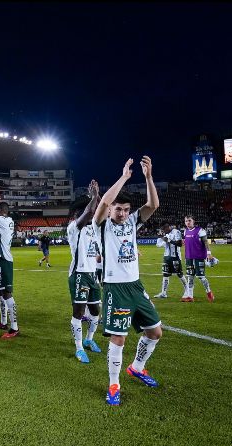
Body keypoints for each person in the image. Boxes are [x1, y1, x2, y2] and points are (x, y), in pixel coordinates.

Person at [93, 156, 162, 406]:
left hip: (136, 286)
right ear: (111, 210)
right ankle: (114, 384)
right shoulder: (101, 225)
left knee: (155, 332)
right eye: (118, 209)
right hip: (115, 289)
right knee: (118, 338)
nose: (122, 213)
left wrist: (148, 177)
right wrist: (124, 177)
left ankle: (137, 367)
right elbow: (103, 202)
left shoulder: (132, 221)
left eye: (125, 209)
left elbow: (153, 204)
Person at [66, 180, 102, 364]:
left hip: (92, 275)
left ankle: (89, 338)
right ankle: (79, 348)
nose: (93, 213)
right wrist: (94, 195)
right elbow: (89, 211)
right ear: (77, 214)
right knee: (78, 313)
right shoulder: (74, 227)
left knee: (96, 311)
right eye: (90, 211)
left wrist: (98, 198)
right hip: (78, 275)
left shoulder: (92, 229)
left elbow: (100, 212)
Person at [0, 190, 20, 339]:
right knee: (0, 292)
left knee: (7, 293)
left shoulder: (2, 220)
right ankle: (3, 322)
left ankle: (14, 327)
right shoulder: (6, 221)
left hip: (4, 259)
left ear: (1, 211)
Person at [181, 215, 214, 303]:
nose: (188, 222)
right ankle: (190, 296)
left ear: (193, 221)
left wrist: (209, 253)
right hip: (189, 257)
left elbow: (206, 242)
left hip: (198, 257)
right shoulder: (185, 231)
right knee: (190, 277)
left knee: (201, 277)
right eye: (186, 221)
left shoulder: (200, 230)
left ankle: (209, 292)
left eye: (189, 220)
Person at [154, 222, 189, 299]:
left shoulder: (176, 232)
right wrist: (160, 237)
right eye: (163, 230)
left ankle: (187, 291)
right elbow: (159, 245)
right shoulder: (165, 234)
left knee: (180, 274)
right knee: (165, 274)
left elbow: (180, 244)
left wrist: (169, 240)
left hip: (175, 257)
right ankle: (163, 293)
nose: (164, 231)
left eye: (165, 229)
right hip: (166, 257)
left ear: (169, 227)